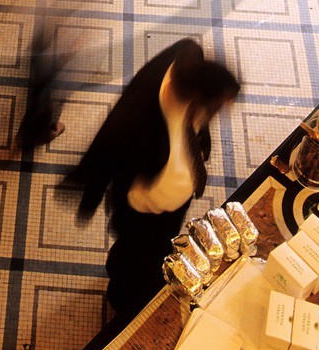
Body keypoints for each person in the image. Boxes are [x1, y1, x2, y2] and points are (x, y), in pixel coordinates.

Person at [62, 39, 240, 322]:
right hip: (144, 209)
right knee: (137, 256)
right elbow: (107, 148)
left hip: (171, 206)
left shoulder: (189, 54)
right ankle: (123, 299)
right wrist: (89, 192)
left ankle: (144, 271)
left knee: (157, 249)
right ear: (196, 96)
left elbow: (197, 123)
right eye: (218, 106)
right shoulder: (141, 118)